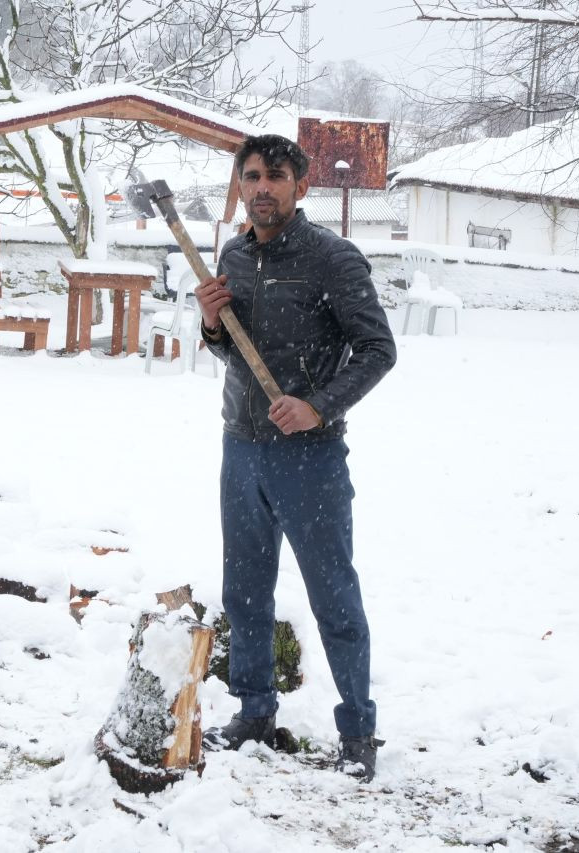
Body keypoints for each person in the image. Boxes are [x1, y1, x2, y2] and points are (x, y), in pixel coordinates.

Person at [194, 134, 397, 782]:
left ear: (299, 185)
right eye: (251, 176)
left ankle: (358, 729)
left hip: (308, 457)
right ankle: (254, 712)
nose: (261, 187)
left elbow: (377, 350)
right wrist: (212, 325)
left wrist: (319, 405)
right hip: (242, 448)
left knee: (333, 593)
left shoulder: (332, 260)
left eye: (274, 176)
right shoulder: (234, 255)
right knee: (246, 591)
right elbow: (234, 354)